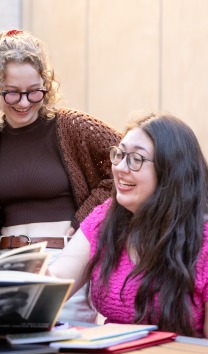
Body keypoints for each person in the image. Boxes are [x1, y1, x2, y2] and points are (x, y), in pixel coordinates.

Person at [0, 29, 121, 322]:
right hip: (3, 265)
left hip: (65, 259)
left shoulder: (73, 126)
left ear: (46, 84)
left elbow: (130, 164)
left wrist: (83, 218)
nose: (23, 102)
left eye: (34, 91)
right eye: (12, 92)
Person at [49, 113, 208, 337]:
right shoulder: (105, 217)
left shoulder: (204, 239)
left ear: (171, 172)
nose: (121, 167)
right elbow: (55, 282)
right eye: (120, 154)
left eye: (136, 158)